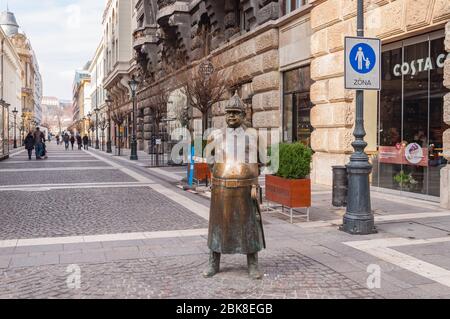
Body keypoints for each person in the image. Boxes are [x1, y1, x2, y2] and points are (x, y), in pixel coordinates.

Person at [203, 93, 265, 280]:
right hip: (221, 188)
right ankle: (214, 262)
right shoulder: (215, 135)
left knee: (250, 227)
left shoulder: (253, 135)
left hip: (246, 188)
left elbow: (261, 160)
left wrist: (249, 175)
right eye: (229, 112)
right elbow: (209, 157)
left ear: (243, 116)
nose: (231, 116)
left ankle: (253, 264)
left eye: (236, 113)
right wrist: (219, 172)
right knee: (218, 226)